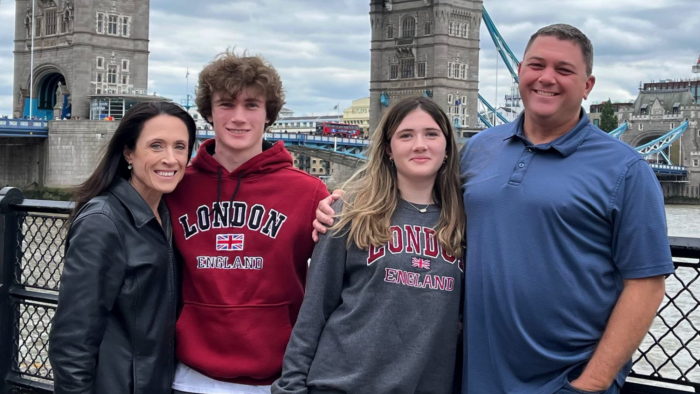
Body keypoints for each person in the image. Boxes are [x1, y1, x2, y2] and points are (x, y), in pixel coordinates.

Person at [315, 24, 673, 394]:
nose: (546, 78)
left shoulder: (627, 169)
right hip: (472, 375)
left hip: (565, 382)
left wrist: (591, 383)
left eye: (564, 70)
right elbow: (413, 195)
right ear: (519, 71)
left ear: (588, 85)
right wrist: (345, 203)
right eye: (536, 65)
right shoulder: (479, 149)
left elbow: (646, 284)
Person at [273, 96, 464, 394]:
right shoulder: (348, 212)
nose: (419, 144)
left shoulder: (466, 222)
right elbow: (314, 311)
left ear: (447, 146)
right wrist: (290, 387)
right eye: (405, 135)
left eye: (431, 134)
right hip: (341, 384)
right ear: (389, 149)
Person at [165, 51, 329, 394]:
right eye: (226, 103)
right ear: (209, 111)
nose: (238, 117)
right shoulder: (176, 186)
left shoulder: (309, 192)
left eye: (252, 105)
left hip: (276, 377)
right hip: (189, 375)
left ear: (268, 114)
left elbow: (337, 280)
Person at [49, 101, 197, 394]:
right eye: (156, 146)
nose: (170, 158)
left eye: (180, 147)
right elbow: (73, 337)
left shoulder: (168, 215)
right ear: (128, 152)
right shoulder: (103, 222)